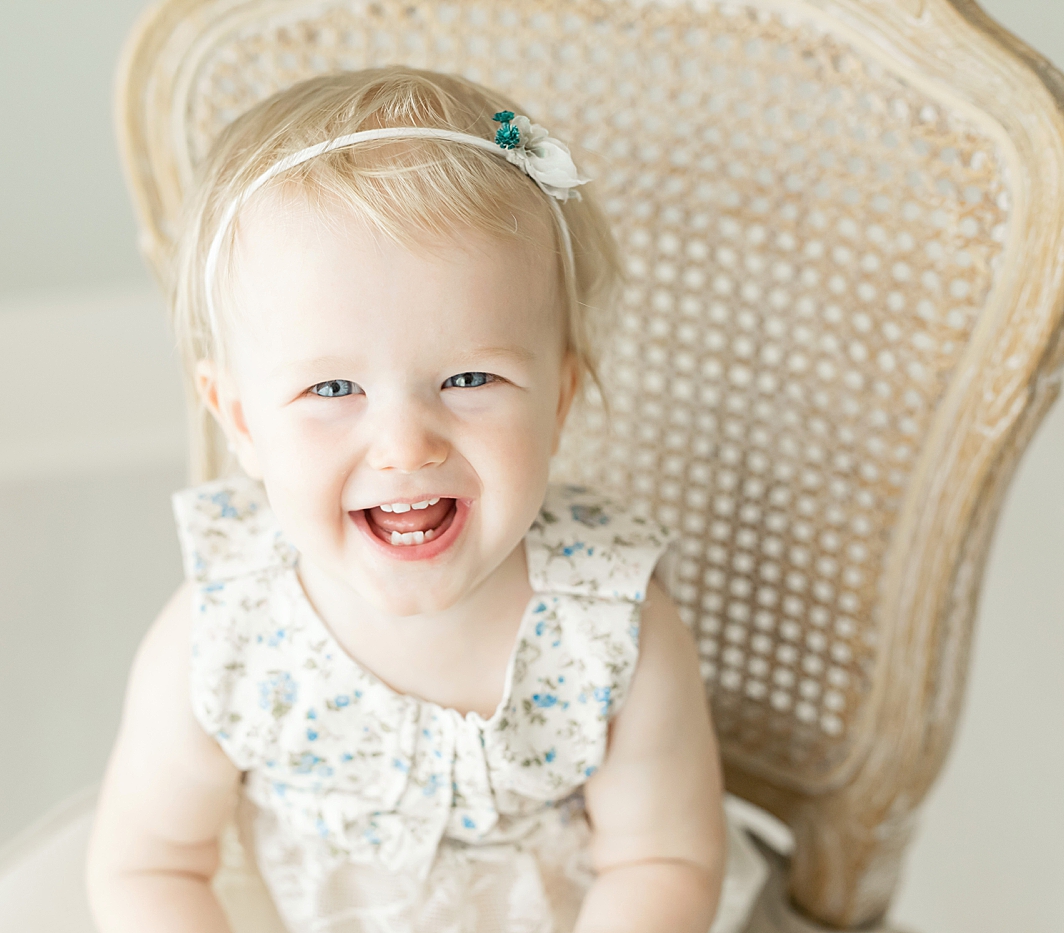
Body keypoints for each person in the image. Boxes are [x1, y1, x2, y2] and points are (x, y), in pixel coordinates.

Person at [86, 65, 767, 933]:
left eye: (470, 377)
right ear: (242, 422)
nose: (407, 446)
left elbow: (662, 859)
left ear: (557, 399)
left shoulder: (609, 628)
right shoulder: (223, 635)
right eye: (333, 388)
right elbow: (148, 864)